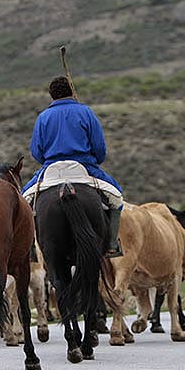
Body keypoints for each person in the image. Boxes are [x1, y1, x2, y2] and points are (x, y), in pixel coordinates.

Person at [22, 76, 124, 257]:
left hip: (50, 168)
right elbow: (99, 148)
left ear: (51, 95)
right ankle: (111, 244)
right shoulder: (86, 112)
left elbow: (36, 152)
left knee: (23, 201)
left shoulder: (43, 117)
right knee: (117, 197)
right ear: (71, 90)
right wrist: (95, 160)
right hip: (85, 166)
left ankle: (30, 249)